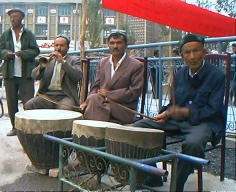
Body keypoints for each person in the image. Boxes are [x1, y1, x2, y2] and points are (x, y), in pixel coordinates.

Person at [133, 34, 226, 191]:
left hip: (205, 122)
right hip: (178, 121)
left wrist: (184, 112)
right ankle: (154, 175)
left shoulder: (217, 75)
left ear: (204, 52)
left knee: (194, 144)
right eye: (187, 53)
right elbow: (172, 105)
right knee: (138, 127)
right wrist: (166, 113)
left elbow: (213, 109)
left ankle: (176, 186)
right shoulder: (179, 75)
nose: (192, 56)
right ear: (182, 56)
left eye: (196, 51)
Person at [80, 30, 144, 124]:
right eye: (112, 43)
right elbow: (96, 86)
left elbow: (134, 92)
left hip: (123, 107)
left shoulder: (136, 65)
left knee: (94, 103)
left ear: (126, 45)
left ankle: (92, 132)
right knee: (93, 99)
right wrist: (87, 101)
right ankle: (99, 128)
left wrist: (109, 94)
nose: (115, 46)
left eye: (119, 43)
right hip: (100, 102)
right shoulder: (103, 62)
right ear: (108, 45)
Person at [0, 8, 40, 136]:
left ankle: (27, 128)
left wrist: (24, 53)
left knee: (28, 101)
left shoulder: (28, 34)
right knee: (11, 101)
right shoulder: (5, 34)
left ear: (21, 18)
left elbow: (35, 51)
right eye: (11, 17)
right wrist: (6, 54)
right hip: (10, 74)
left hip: (25, 74)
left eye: (15, 16)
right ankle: (15, 127)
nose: (12, 19)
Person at [24, 35, 82, 111]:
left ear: (68, 47)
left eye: (62, 45)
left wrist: (63, 62)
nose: (58, 48)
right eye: (56, 45)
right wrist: (42, 66)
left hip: (65, 96)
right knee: (29, 105)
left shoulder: (74, 60)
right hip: (47, 95)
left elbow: (77, 76)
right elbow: (34, 76)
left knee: (65, 110)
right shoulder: (49, 59)